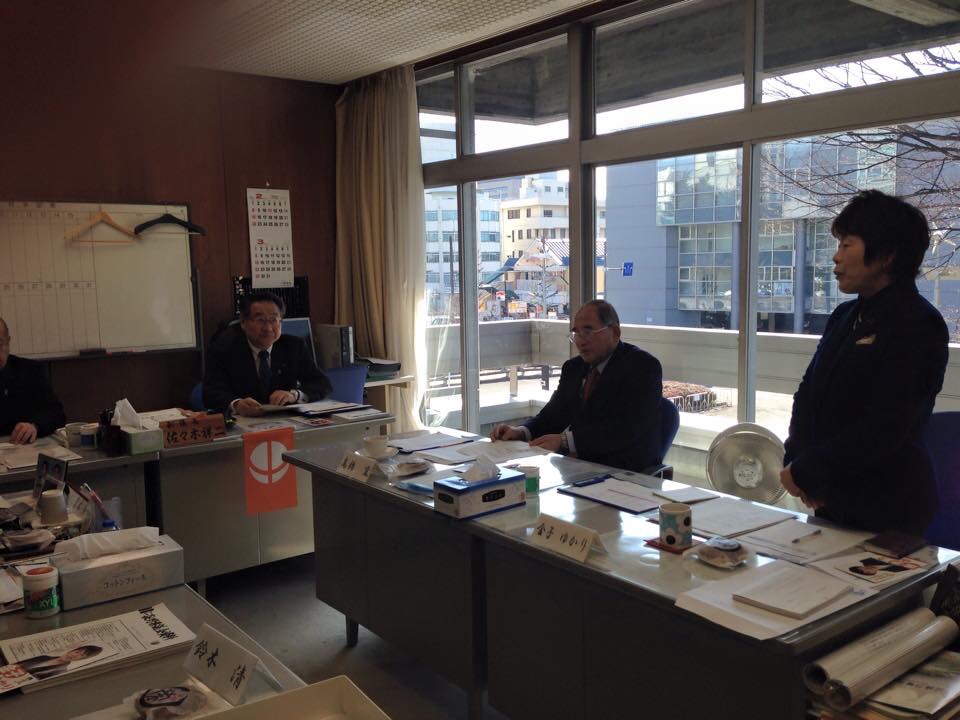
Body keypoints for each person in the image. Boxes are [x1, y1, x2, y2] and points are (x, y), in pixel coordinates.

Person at [780, 190, 948, 535]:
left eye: (847, 245)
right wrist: (797, 462)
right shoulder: (844, 315)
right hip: (830, 496)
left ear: (886, 255)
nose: (836, 257)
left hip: (888, 507)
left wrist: (810, 470)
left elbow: (885, 425)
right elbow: (808, 395)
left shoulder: (918, 323)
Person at [489, 300, 663, 472]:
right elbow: (553, 414)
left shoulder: (642, 367)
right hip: (577, 468)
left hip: (624, 473)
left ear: (615, 332)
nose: (580, 341)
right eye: (576, 333)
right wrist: (521, 431)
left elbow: (625, 430)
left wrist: (565, 441)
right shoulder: (574, 368)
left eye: (588, 332)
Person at [202, 291, 331, 416]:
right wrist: (236, 404)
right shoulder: (223, 349)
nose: (268, 328)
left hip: (283, 419)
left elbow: (321, 383)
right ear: (243, 323)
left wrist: (294, 395)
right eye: (260, 320)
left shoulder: (293, 346)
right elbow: (210, 393)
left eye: (274, 320)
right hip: (242, 420)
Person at [0, 317, 66, 444]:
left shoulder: (30, 371)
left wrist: (35, 426)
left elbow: (57, 414)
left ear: (8, 342)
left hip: (25, 447)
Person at [17, 645, 103, 680]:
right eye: (77, 651)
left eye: (81, 655)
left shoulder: (60, 671)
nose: (74, 655)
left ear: (81, 659)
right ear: (72, 650)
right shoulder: (44, 657)